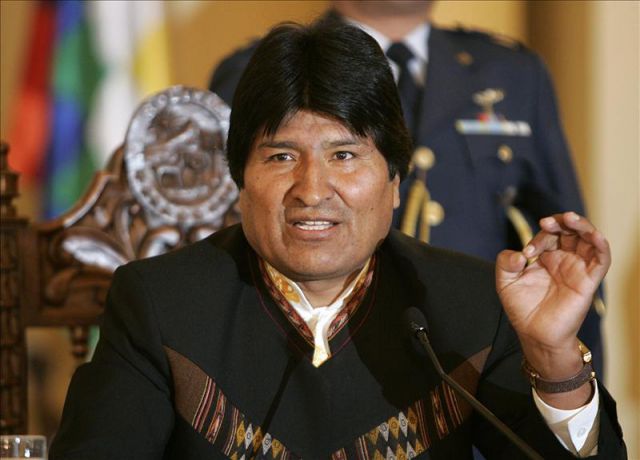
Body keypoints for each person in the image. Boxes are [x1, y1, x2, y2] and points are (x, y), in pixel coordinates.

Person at [50, 20, 625, 459]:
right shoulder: (160, 303)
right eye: (281, 156)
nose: (312, 189)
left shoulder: (473, 306)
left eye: (345, 155)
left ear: (394, 181)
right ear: (240, 181)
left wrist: (553, 356)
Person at [208, 0, 606, 378]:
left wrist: (572, 380)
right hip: (313, 358)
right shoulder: (260, 70)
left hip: (471, 364)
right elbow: (221, 237)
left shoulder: (509, 71)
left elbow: (562, 243)